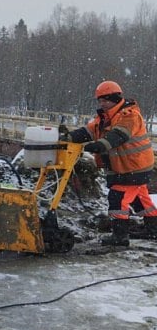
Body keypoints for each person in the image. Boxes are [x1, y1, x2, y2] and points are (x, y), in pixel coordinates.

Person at [64, 80, 157, 246]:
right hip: (128, 167)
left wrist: (100, 145)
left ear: (115, 98)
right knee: (141, 199)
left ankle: (120, 237)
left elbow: (118, 136)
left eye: (105, 100)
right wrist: (67, 137)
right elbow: (87, 131)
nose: (102, 103)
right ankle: (153, 229)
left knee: (117, 198)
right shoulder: (105, 118)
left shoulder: (130, 115)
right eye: (100, 100)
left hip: (134, 168)